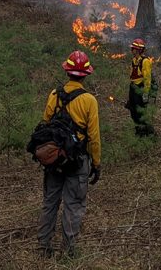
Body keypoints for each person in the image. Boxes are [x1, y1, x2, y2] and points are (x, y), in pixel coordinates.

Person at [38, 50, 101, 258]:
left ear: (67, 72)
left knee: (50, 202)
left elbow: (45, 126)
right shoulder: (89, 100)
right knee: (73, 205)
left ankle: (43, 247)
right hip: (77, 160)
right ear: (86, 75)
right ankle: (68, 252)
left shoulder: (54, 95)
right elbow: (94, 137)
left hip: (55, 159)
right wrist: (96, 164)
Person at [126, 38, 155, 136]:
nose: (132, 50)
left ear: (138, 50)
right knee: (133, 110)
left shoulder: (145, 61)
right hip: (133, 88)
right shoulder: (134, 60)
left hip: (140, 89)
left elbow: (147, 79)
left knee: (141, 113)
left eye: (133, 48)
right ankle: (138, 130)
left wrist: (146, 93)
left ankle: (146, 132)